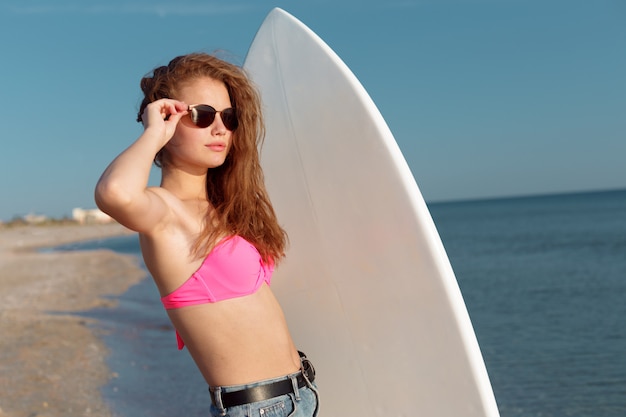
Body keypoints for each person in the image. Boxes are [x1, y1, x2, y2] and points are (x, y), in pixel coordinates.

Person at [95, 52, 319, 417]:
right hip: (259, 409)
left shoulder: (225, 210)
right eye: (202, 115)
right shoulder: (164, 212)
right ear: (167, 116)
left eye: (229, 118)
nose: (220, 129)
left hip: (300, 395)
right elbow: (114, 194)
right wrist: (154, 133)